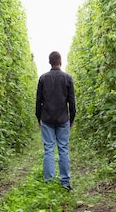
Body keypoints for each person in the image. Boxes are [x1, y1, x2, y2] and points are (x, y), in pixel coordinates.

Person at [35, 51, 76, 191]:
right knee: (63, 149)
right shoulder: (67, 78)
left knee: (48, 149)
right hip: (63, 118)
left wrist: (38, 117)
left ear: (49, 62)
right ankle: (65, 182)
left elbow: (38, 101)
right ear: (61, 62)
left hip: (46, 118)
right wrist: (72, 118)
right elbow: (72, 101)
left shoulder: (43, 78)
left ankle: (49, 181)